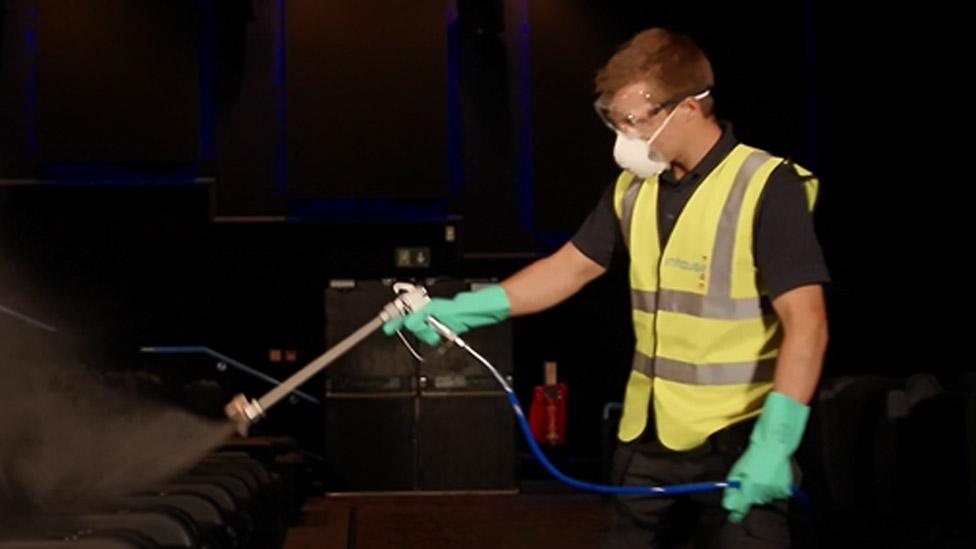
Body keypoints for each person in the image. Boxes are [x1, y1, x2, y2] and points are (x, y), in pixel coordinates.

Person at [384, 27, 829, 548]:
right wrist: (466, 309)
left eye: (634, 123)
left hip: (739, 440)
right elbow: (570, 268)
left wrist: (775, 443)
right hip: (647, 437)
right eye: (615, 123)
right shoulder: (633, 189)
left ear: (687, 108)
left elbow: (809, 324)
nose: (625, 140)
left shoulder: (765, 186)